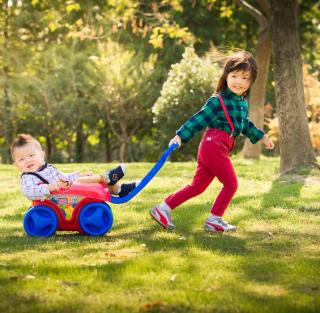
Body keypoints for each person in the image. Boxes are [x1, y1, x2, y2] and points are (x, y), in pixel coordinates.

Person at [150, 50, 274, 232]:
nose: (239, 81)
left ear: (251, 82)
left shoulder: (241, 101)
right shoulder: (218, 100)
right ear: (226, 76)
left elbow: (244, 124)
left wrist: (261, 136)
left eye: (245, 78)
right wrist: (180, 135)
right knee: (231, 184)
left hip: (217, 146)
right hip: (213, 145)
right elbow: (198, 119)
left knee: (197, 187)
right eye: (234, 76)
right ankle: (215, 219)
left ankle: (163, 209)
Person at [11, 133, 137, 201]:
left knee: (91, 184)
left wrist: (79, 174)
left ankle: (119, 189)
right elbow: (29, 192)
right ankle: (107, 177)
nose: (27, 160)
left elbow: (64, 177)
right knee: (81, 183)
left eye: (31, 155)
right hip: (56, 198)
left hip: (65, 192)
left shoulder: (46, 168)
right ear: (17, 165)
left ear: (42, 155)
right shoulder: (28, 178)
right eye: (21, 159)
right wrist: (48, 188)